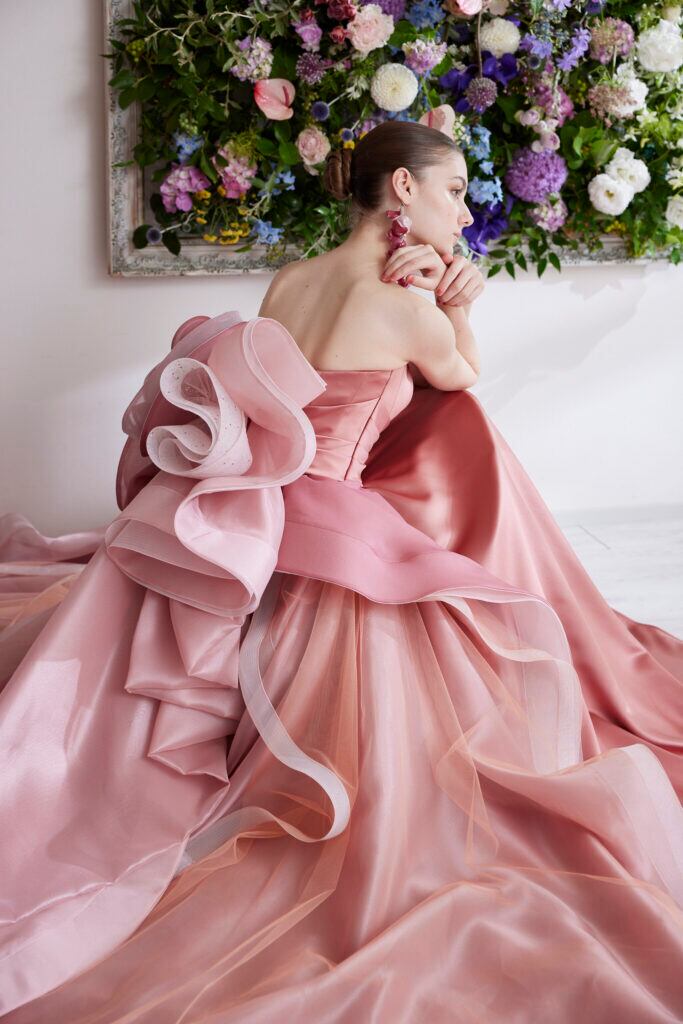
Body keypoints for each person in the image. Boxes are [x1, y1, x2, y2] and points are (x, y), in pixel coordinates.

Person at [0, 120, 682, 1023]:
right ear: (401, 191)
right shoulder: (405, 309)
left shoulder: (290, 281)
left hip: (260, 519)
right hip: (337, 527)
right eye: (451, 192)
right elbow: (460, 379)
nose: (462, 213)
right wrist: (458, 305)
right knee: (424, 705)